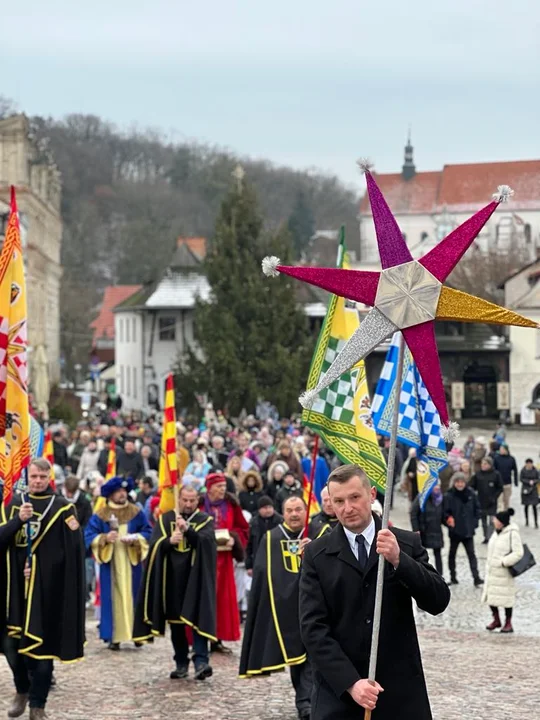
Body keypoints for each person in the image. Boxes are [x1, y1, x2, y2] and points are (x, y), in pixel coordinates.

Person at [299, 464, 450, 719]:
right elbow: (313, 629)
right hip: (339, 697)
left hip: (399, 693)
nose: (347, 508)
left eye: (354, 497)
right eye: (339, 501)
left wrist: (400, 560)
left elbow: (438, 600)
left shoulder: (404, 543)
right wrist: (351, 683)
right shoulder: (316, 554)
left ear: (371, 495)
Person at [0, 459, 85, 720]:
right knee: (11, 648)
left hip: (47, 591)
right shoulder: (15, 504)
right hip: (15, 592)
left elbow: (72, 552)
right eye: (33, 476)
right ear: (27, 476)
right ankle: (22, 690)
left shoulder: (63, 508)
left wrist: (38, 567)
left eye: (42, 476)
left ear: (50, 477)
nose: (37, 480)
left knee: (42, 651)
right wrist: (17, 520)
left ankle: (38, 705)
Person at [240, 496, 312, 720]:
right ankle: (304, 701)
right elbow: (263, 572)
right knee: (296, 657)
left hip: (314, 606)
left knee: (312, 655)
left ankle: (308, 701)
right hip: (284, 608)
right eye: (289, 510)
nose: (293, 514)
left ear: (305, 511)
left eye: (298, 509)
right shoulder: (271, 538)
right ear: (283, 512)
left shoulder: (315, 535)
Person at [133, 485, 217, 680]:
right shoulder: (166, 519)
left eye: (192, 500)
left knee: (198, 618)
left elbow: (206, 544)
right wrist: (168, 541)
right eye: (184, 500)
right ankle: (181, 662)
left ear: (198, 500)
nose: (188, 504)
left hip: (195, 578)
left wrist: (189, 531)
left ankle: (201, 661)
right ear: (178, 499)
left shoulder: (205, 520)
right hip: (171, 579)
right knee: (177, 623)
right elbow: (154, 546)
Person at [85, 476, 152, 649]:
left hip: (131, 561)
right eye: (118, 492)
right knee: (112, 598)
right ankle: (114, 636)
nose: (122, 494)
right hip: (111, 562)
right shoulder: (101, 515)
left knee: (135, 596)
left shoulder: (136, 512)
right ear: (110, 494)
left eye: (124, 491)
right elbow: (88, 536)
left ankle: (138, 634)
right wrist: (104, 538)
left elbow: (148, 531)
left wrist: (136, 538)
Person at [202, 472, 249, 652]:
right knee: (205, 596)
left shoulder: (231, 505)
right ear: (210, 488)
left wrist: (234, 539)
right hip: (204, 558)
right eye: (218, 486)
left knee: (222, 598)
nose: (222, 490)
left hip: (224, 558)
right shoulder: (200, 504)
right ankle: (201, 637)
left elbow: (242, 527)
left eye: (223, 486)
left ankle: (217, 639)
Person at [483, 508, 524, 634]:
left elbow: (518, 552)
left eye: (495, 519)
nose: (493, 520)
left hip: (504, 572)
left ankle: (508, 623)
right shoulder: (496, 533)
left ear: (501, 522)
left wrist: (504, 562)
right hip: (492, 571)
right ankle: (496, 620)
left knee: (506, 599)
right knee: (491, 597)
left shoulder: (512, 533)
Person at [443, 472, 483, 587]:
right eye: (458, 482)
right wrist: (449, 521)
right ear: (454, 483)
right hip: (455, 531)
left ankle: (476, 577)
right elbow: (445, 513)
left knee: (472, 554)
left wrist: (474, 524)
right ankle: (453, 576)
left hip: (468, 531)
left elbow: (477, 509)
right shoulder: (449, 495)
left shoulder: (471, 494)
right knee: (452, 554)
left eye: (462, 482)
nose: (460, 484)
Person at [410, 483, 445, 577]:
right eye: (435, 486)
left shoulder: (441, 499)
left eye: (438, 486)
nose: (437, 488)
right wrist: (416, 529)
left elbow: (443, 514)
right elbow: (413, 513)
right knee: (422, 555)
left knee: (438, 554)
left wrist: (448, 520)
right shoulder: (422, 497)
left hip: (436, 530)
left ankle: (440, 575)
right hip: (424, 531)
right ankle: (423, 574)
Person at [245, 496, 283, 574]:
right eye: (265, 508)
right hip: (259, 559)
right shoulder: (254, 523)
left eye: (270, 507)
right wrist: (249, 565)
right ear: (259, 509)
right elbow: (249, 545)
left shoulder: (280, 521)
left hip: (277, 559)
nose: (268, 510)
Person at [469, 457, 503, 543]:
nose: (483, 466)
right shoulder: (478, 474)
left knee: (492, 521)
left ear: (490, 465)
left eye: (485, 464)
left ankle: (491, 536)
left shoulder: (496, 474)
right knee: (483, 521)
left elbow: (500, 488)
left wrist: (494, 497)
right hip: (481, 501)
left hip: (492, 502)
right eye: (482, 464)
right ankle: (486, 537)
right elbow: (471, 486)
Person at [494, 444, 518, 511]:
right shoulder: (496, 458)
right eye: (500, 449)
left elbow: (515, 470)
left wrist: (516, 482)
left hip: (508, 483)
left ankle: (506, 517)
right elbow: (494, 470)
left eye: (502, 449)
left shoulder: (511, 459)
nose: (501, 451)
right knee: (499, 502)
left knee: (506, 501)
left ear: (506, 450)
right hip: (498, 484)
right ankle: (500, 517)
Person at [519, 458, 539, 528]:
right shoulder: (523, 470)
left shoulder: (535, 470)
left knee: (534, 506)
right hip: (525, 489)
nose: (529, 465)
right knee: (526, 506)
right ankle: (526, 520)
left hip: (533, 489)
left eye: (530, 463)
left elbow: (538, 478)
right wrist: (528, 482)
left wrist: (534, 481)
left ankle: (536, 522)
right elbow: (521, 478)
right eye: (528, 464)